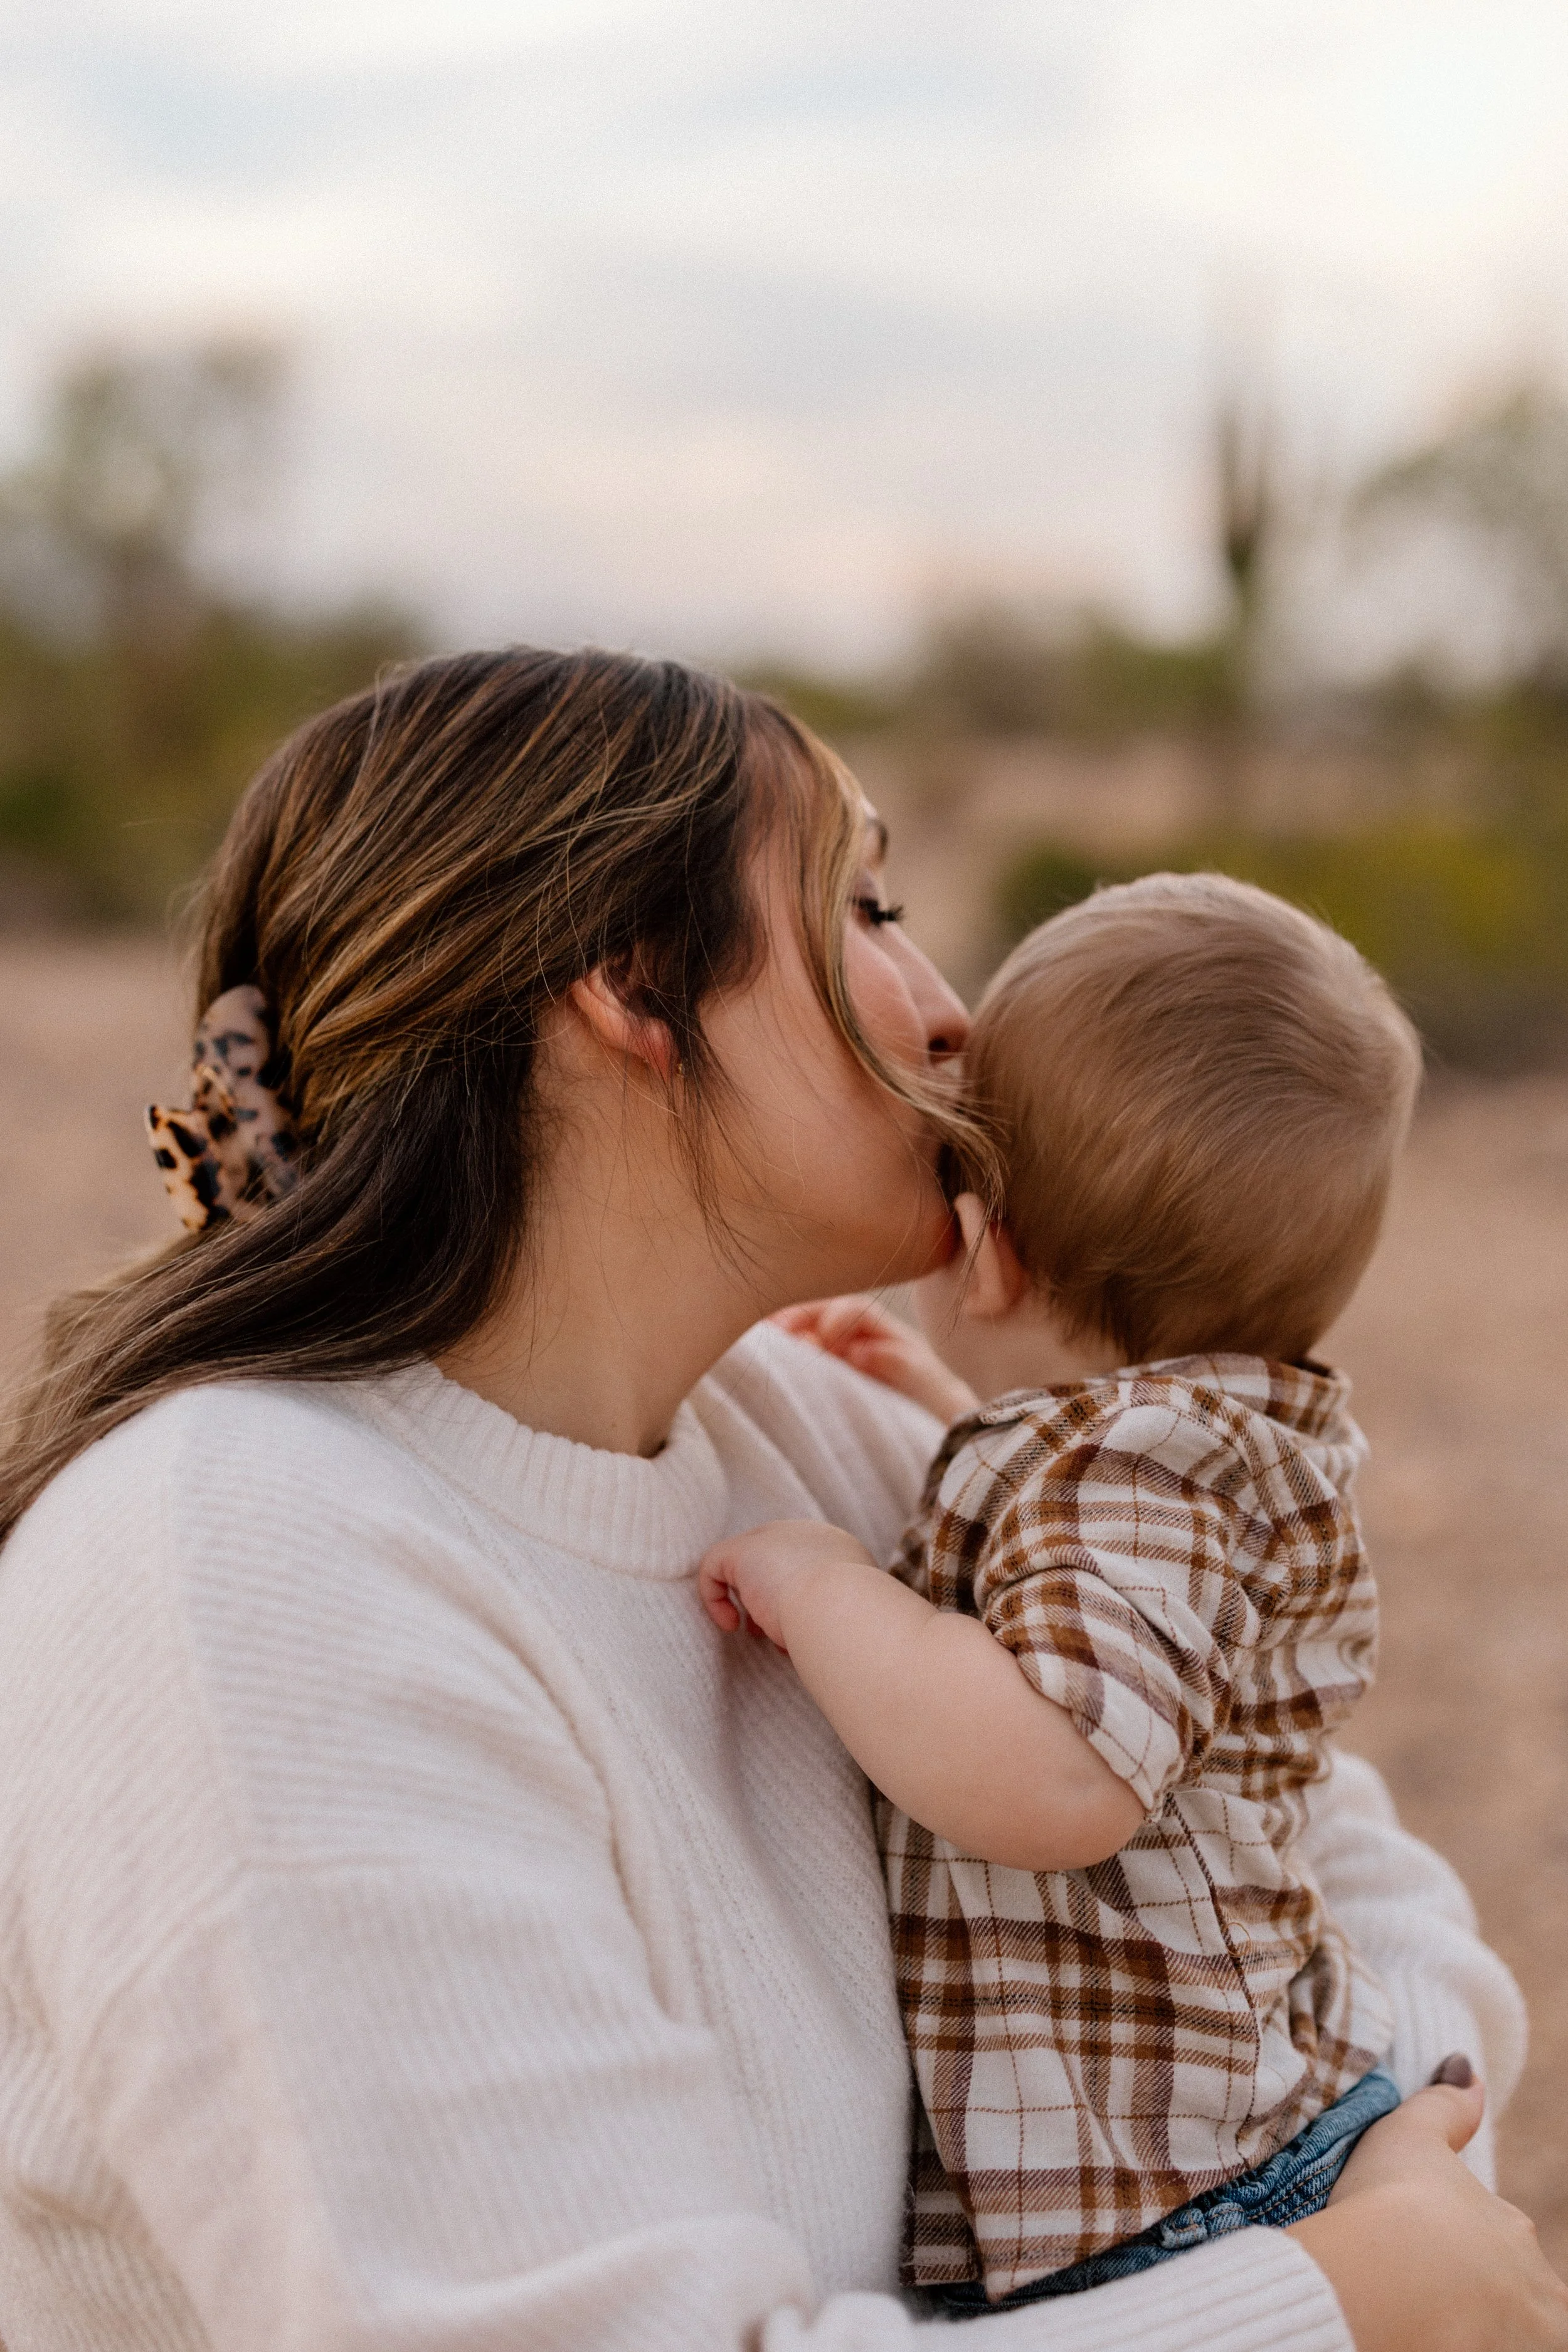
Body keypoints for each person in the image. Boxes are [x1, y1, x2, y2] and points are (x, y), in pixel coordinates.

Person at [0, 649, 1559, 2352]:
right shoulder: (248, 1567)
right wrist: (1336, 2291)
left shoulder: (825, 1427)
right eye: (865, 906)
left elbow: (1331, 1857)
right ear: (631, 981)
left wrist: (1388, 2157)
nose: (952, 1007)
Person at [697, 873, 1424, 2307]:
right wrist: (950, 1411)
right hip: (1213, 2153)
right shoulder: (1160, 1452)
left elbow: (1055, 1774)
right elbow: (1068, 1571)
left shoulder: (1134, 1478)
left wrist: (827, 1585)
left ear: (989, 1250)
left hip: (1184, 2197)